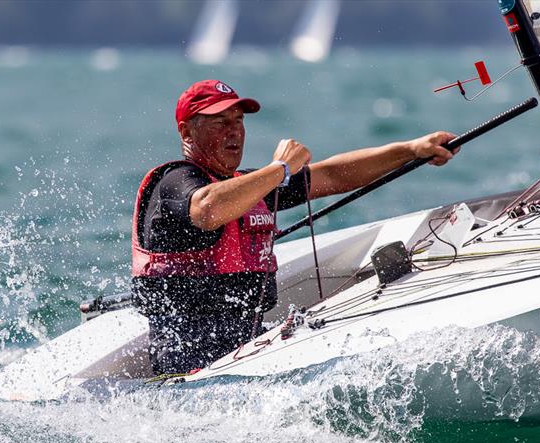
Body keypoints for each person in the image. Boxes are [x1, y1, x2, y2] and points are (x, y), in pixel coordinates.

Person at [132, 79, 459, 375]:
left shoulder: (249, 186)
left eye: (238, 121)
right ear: (187, 132)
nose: (234, 131)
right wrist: (280, 168)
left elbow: (332, 175)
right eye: (220, 123)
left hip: (246, 357)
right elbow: (208, 208)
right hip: (188, 371)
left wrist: (410, 150)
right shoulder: (175, 181)